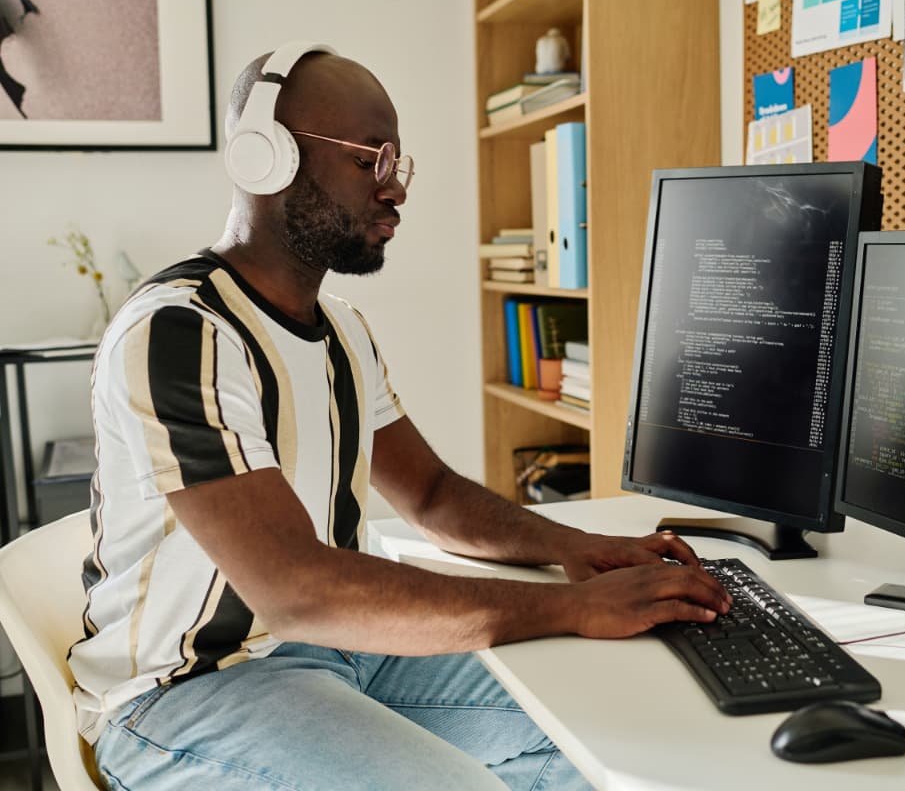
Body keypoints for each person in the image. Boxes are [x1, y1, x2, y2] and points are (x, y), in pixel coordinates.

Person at [66, 42, 730, 790]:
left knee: (612, 733)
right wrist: (573, 606)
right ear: (265, 157)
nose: (395, 189)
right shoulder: (181, 333)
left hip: (340, 652)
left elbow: (434, 497)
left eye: (397, 163)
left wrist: (577, 547)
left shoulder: (342, 328)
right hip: (189, 691)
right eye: (368, 160)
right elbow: (297, 590)